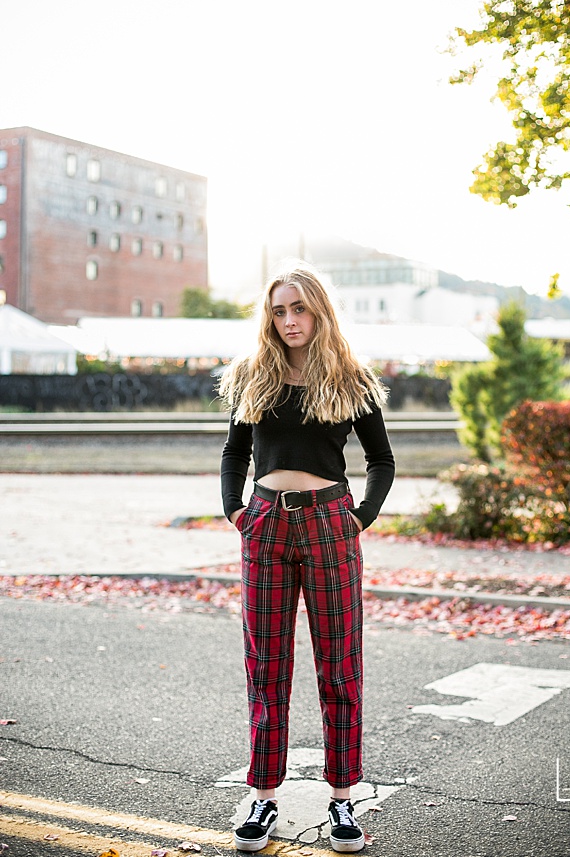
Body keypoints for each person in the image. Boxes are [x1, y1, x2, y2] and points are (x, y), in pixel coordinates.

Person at [217, 263, 394, 853]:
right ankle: (263, 797)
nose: (289, 321)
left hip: (330, 527)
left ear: (319, 309)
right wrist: (235, 512)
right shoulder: (252, 375)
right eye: (278, 310)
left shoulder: (349, 378)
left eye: (299, 308)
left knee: (339, 666)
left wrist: (361, 516)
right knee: (266, 665)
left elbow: (382, 460)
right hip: (265, 526)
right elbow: (234, 453)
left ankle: (343, 799)